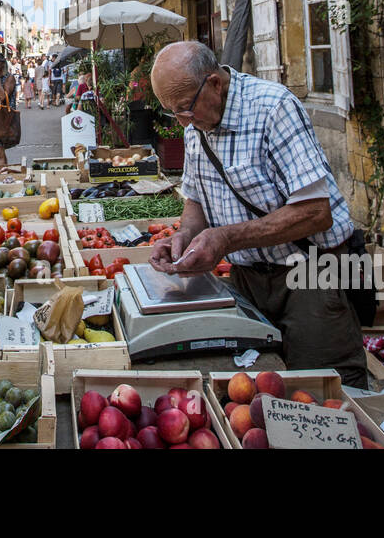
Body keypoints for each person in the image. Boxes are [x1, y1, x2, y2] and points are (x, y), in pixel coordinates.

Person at [147, 41, 369, 388]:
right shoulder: (196, 129)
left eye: (185, 109)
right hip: (248, 279)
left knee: (322, 387)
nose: (182, 121)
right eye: (172, 111)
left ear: (215, 84)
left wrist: (227, 237)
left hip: (310, 271)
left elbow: (316, 212)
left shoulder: (272, 108)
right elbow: (195, 200)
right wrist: (184, 238)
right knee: (257, 390)